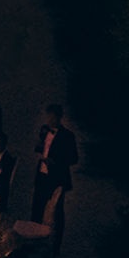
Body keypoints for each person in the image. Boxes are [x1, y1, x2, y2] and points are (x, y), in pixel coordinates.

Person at [30, 103, 78, 244]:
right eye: (48, 117)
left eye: (52, 117)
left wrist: (55, 161)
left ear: (59, 117)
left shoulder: (68, 136)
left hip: (57, 179)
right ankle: (35, 240)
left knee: (56, 212)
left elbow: (74, 158)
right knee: (37, 208)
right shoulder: (44, 130)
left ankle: (55, 244)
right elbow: (40, 148)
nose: (49, 120)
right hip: (42, 175)